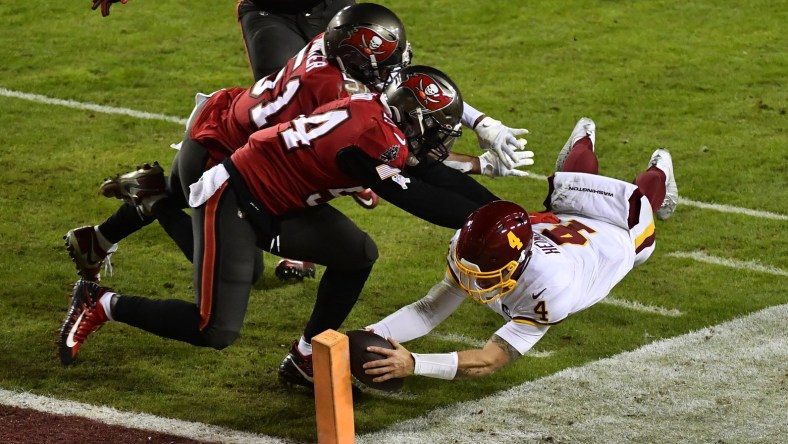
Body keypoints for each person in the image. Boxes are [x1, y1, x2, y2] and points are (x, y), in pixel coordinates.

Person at [56, 66, 511, 396]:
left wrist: (510, 213)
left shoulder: (380, 118)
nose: (443, 142)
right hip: (236, 196)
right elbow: (423, 199)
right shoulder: (376, 139)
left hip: (283, 198)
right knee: (214, 328)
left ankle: (306, 356)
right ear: (411, 120)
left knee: (356, 253)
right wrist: (492, 219)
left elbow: (435, 177)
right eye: (438, 130)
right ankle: (100, 302)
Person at [70, 3, 532, 283]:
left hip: (240, 130)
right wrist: (478, 167)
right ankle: (153, 199)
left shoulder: (331, 47)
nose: (395, 74)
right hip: (227, 151)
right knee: (234, 265)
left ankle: (106, 233)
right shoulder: (337, 95)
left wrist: (480, 121)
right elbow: (404, 158)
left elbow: (407, 94)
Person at [360, 117, 679, 383]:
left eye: (487, 274)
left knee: (643, 201)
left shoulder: (551, 288)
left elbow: (489, 360)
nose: (475, 281)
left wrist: (415, 363)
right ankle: (582, 141)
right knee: (572, 186)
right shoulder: (469, 245)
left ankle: (661, 167)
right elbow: (429, 309)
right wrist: (369, 333)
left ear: (520, 261)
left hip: (617, 236)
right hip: (564, 223)